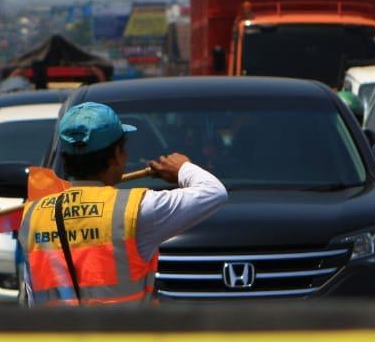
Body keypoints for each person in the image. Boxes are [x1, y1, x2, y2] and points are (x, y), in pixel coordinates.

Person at [18, 102, 227, 307]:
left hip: (54, 340)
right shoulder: (135, 210)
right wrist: (182, 168)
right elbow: (213, 192)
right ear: (117, 155)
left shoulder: (33, 215)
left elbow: (31, 295)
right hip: (120, 339)